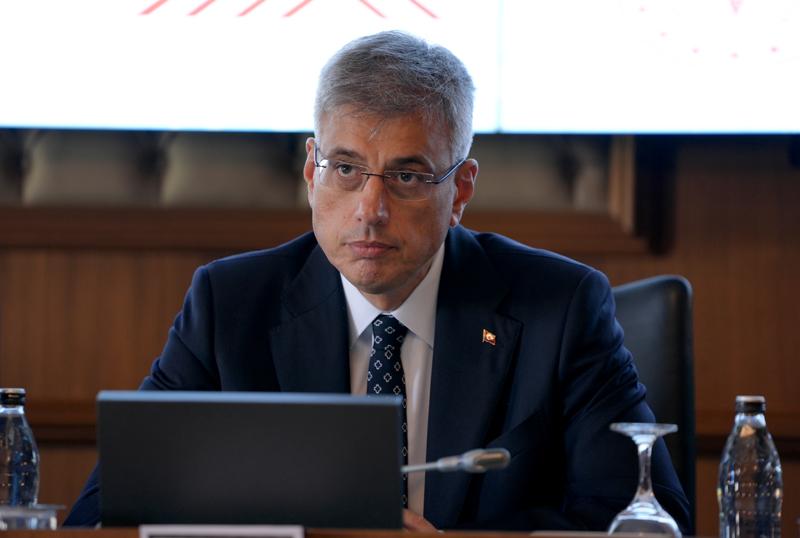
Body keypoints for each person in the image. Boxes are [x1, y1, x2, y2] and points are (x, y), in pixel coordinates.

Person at [64, 31, 690, 532]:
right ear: (310, 172)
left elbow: (648, 520)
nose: (370, 210)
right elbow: (102, 516)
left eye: (407, 177)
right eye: (345, 169)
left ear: (460, 189)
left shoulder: (561, 309)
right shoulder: (229, 307)